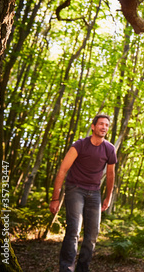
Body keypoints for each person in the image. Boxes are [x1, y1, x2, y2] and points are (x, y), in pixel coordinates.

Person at [49, 114, 117, 272]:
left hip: (94, 193)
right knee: (73, 230)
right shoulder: (79, 145)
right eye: (101, 124)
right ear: (93, 127)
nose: (104, 127)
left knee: (92, 234)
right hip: (75, 189)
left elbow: (111, 175)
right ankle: (66, 268)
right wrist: (55, 198)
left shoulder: (109, 149)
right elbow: (63, 170)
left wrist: (108, 197)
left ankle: (82, 269)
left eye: (107, 125)